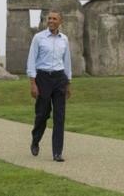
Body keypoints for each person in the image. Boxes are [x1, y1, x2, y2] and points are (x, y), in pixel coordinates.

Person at [26, 10, 72, 162]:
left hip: (59, 78)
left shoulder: (64, 39)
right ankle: (35, 140)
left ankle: (57, 152)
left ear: (60, 21)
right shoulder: (38, 38)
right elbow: (32, 60)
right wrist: (33, 83)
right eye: (49, 18)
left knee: (60, 117)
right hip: (43, 77)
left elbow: (67, 62)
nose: (51, 21)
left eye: (54, 19)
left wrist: (68, 83)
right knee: (43, 114)